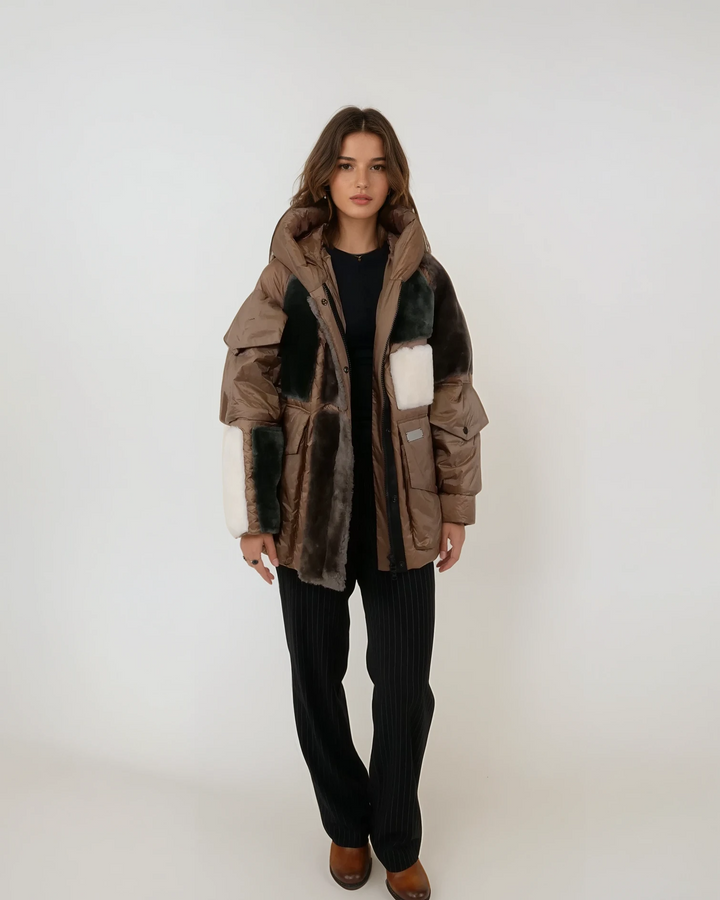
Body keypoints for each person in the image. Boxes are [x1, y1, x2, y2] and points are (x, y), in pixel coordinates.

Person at [219, 106, 489, 900]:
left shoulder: (424, 278)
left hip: (404, 513)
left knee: (403, 689)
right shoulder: (290, 276)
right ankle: (345, 824)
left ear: (394, 177)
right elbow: (248, 389)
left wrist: (456, 504)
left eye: (376, 165)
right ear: (325, 176)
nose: (361, 180)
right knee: (316, 680)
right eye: (346, 165)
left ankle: (396, 838)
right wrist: (254, 517)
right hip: (310, 514)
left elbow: (452, 393)